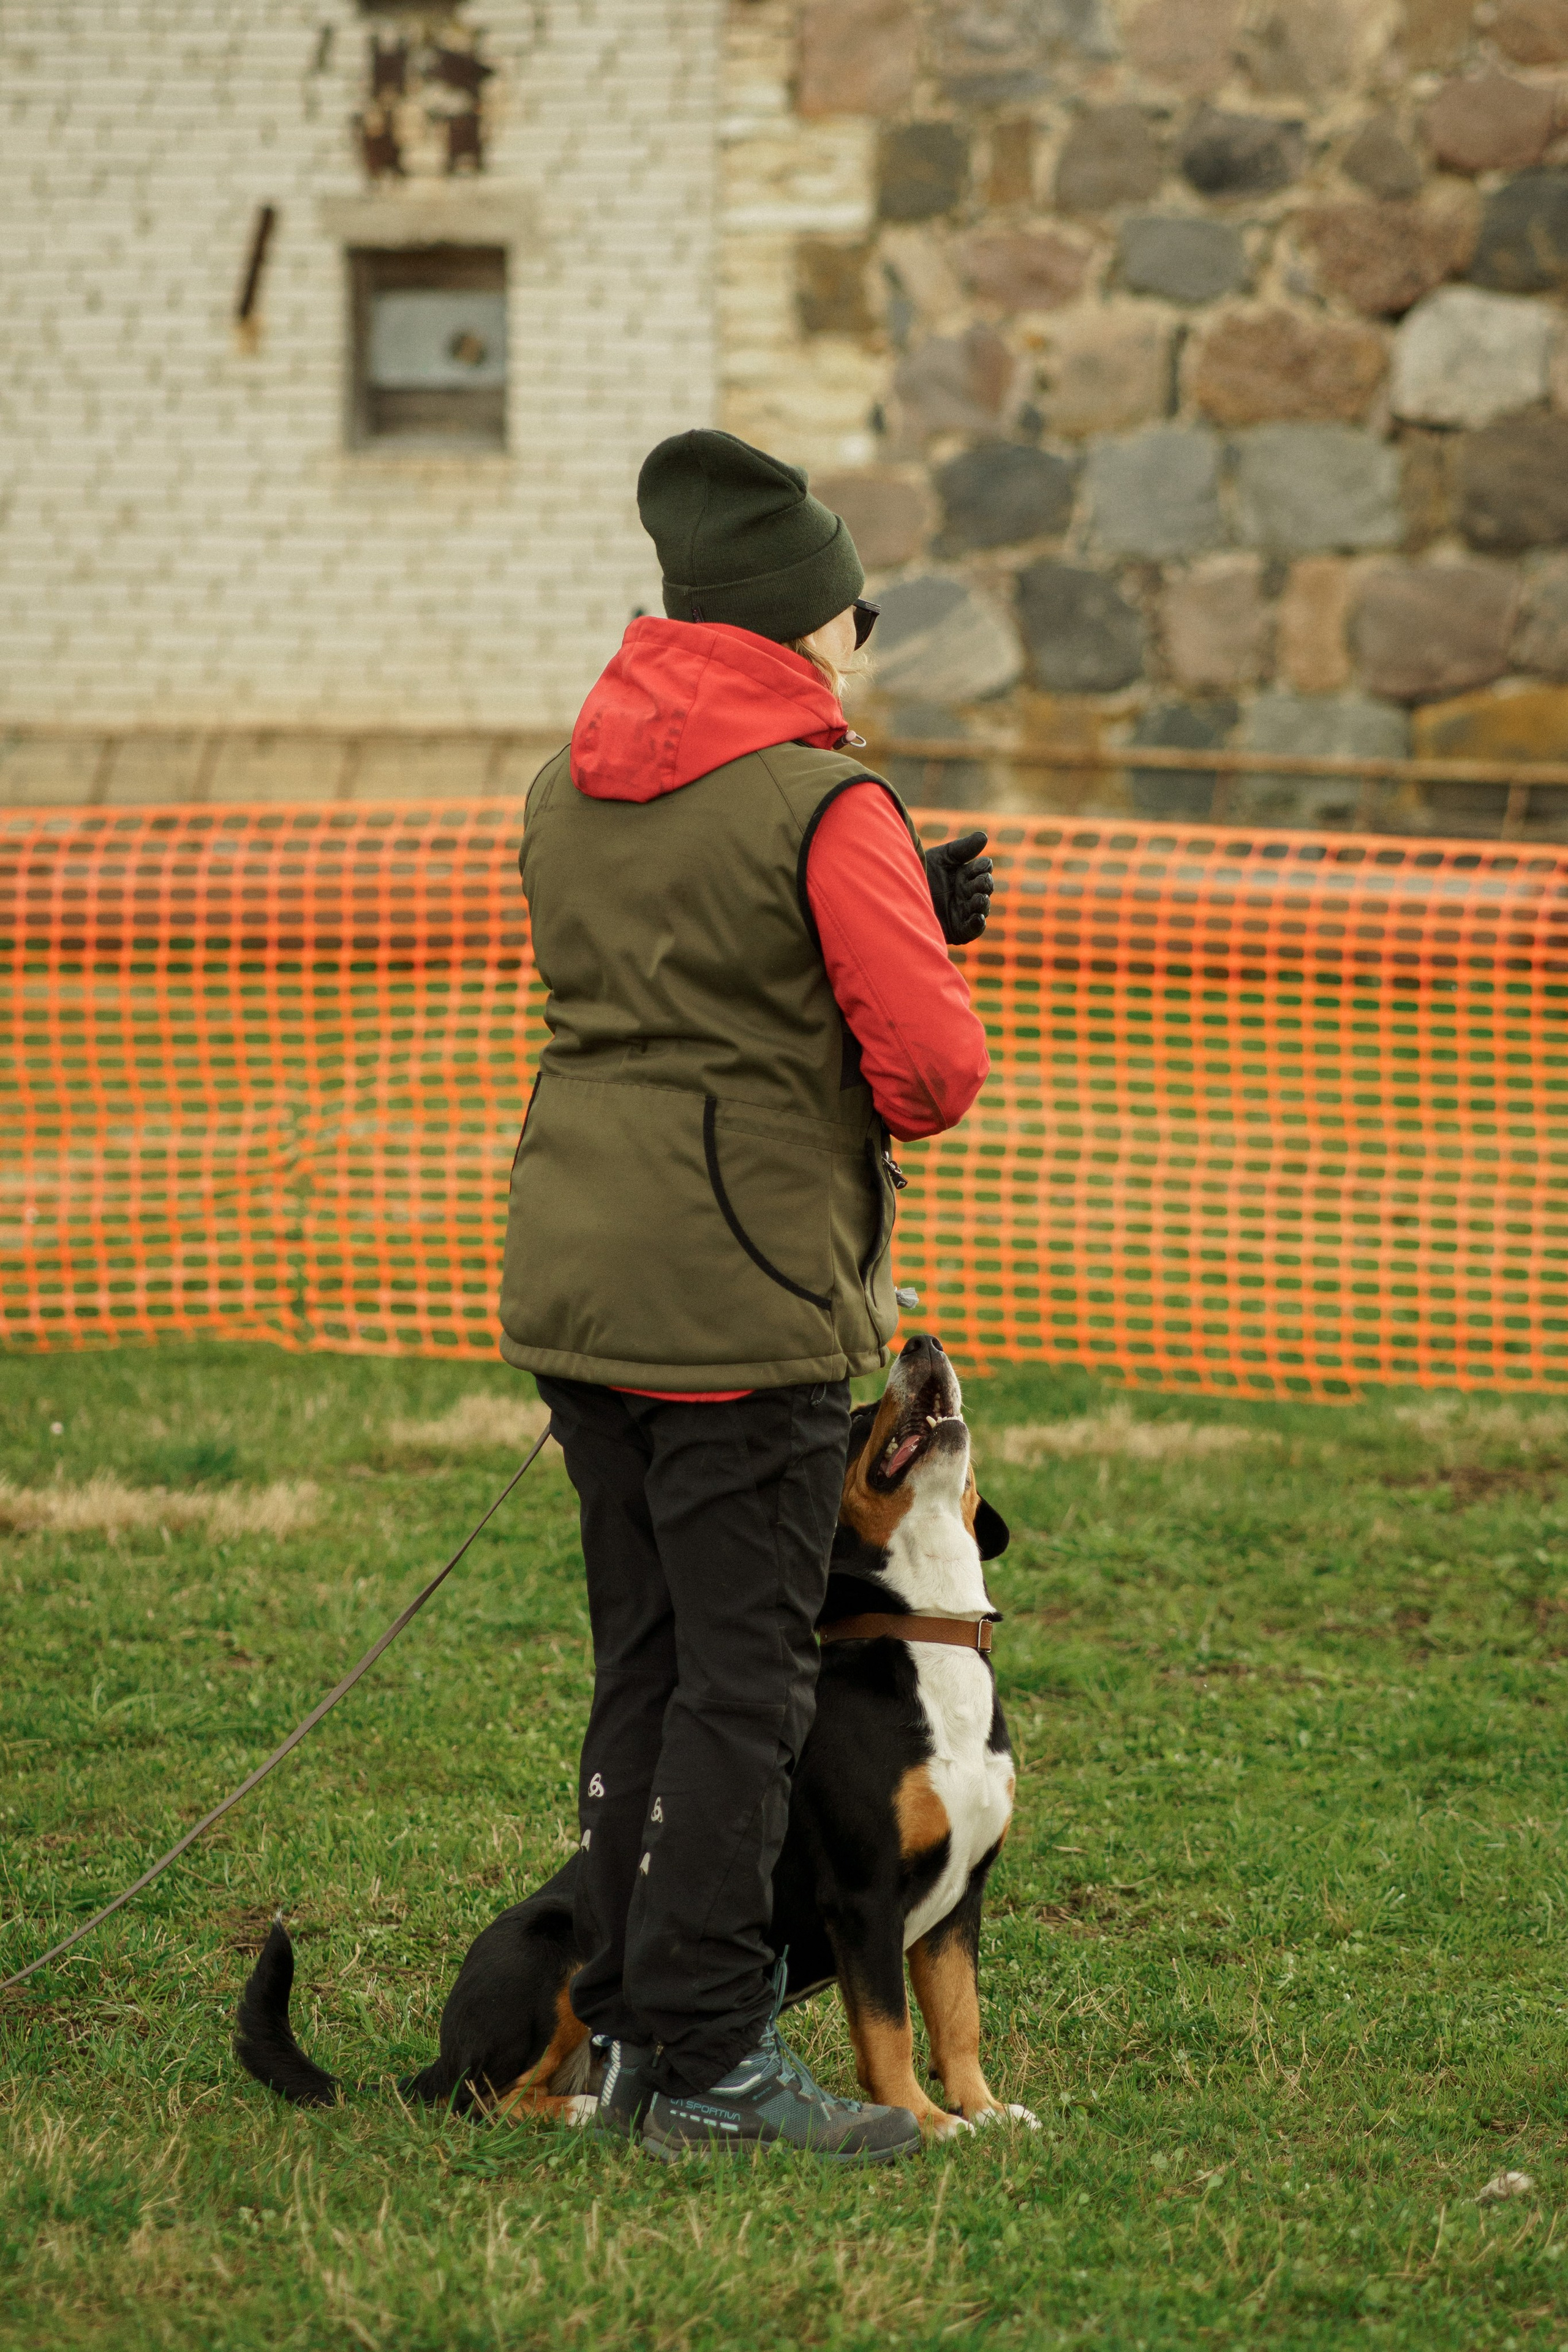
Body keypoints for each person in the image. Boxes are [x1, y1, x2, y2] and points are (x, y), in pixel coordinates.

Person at [498, 428, 993, 2162]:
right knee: (746, 1682)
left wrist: (878, 920)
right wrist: (907, 933)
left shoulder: (571, 777)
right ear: (807, 626)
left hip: (580, 1271)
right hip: (747, 1296)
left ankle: (640, 2031)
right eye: (853, 606)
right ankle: (703, 2062)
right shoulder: (825, 799)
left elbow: (679, 990)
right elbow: (929, 1071)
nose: (863, 630)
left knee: (643, 1665)